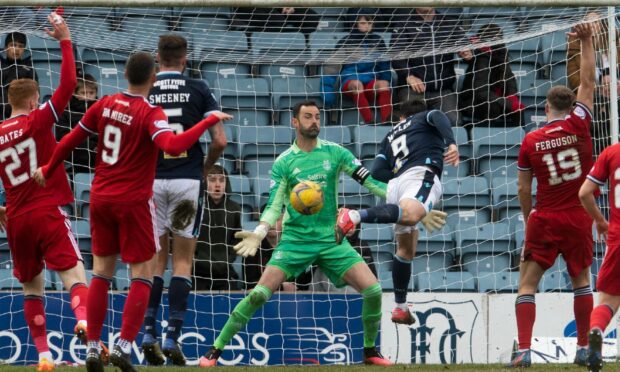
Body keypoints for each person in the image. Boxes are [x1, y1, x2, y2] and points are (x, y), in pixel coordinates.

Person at [33, 51, 233, 372]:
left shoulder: (105, 103)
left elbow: (70, 139)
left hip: (100, 198)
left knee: (101, 273)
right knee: (142, 273)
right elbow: (171, 145)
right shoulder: (150, 112)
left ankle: (94, 347)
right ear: (152, 79)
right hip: (133, 202)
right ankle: (124, 347)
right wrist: (208, 120)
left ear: (125, 73)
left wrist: (48, 165)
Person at [198, 101, 392, 367]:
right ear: (294, 122)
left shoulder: (336, 153)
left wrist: (406, 201)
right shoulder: (284, 162)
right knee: (257, 295)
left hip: (330, 239)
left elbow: (370, 181)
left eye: (317, 117)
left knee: (373, 291)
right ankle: (215, 350)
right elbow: (274, 205)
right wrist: (260, 230)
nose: (314, 121)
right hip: (295, 241)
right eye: (308, 117)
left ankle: (370, 351)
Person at [0, 13, 103, 372]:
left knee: (32, 289)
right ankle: (86, 324)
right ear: (33, 101)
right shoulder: (39, 119)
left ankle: (44, 356)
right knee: (76, 276)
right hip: (47, 210)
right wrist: (65, 39)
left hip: (15, 219)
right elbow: (70, 83)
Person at [507, 23, 595, 368]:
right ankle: (584, 348)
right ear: (571, 105)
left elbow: (521, 188)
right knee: (582, 283)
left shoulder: (531, 141)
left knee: (527, 284)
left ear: (546, 107)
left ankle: (525, 349)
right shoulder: (579, 124)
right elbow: (587, 82)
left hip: (544, 217)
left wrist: (529, 216)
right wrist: (587, 40)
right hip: (577, 214)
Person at [141, 34, 227, 366]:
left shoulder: (147, 89)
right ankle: (172, 336)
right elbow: (219, 139)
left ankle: (147, 332)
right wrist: (205, 167)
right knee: (182, 262)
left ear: (157, 58)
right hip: (187, 181)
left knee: (154, 261)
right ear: (185, 59)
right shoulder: (199, 87)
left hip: (152, 181)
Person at [335, 98, 456, 324]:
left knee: (405, 249)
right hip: (421, 172)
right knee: (410, 215)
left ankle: (400, 307)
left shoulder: (389, 136)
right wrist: (451, 144)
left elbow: (378, 172)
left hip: (396, 186)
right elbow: (438, 116)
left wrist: (401, 175)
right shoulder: (423, 117)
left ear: (401, 117)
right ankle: (353, 215)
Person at [391, 7, 471, 126]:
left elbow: (463, 44)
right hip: (412, 90)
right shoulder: (404, 23)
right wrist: (408, 75)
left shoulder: (448, 22)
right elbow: (395, 54)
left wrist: (466, 52)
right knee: (412, 123)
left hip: (443, 90)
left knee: (453, 122)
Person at [579, 142, 620, 372]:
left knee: (608, 301)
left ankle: (596, 332)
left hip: (617, 239)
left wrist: (600, 220)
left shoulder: (611, 153)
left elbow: (584, 192)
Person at [567, 10, 620, 155]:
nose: (592, 25)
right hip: (590, 100)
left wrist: (617, 85)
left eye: (596, 21)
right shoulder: (574, 49)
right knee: (598, 117)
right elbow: (574, 80)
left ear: (602, 25)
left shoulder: (615, 45)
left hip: (615, 98)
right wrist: (598, 90)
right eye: (589, 22)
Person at [459, 23, 524, 127]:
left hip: (495, 99)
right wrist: (508, 104)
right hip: (472, 103)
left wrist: (512, 97)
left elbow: (509, 78)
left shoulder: (501, 54)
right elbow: (481, 92)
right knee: (493, 107)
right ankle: (488, 140)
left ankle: (520, 139)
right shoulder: (481, 58)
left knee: (518, 110)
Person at [338, 11, 393, 125]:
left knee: (384, 84)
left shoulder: (378, 41)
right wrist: (328, 91)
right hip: (350, 82)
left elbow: (384, 65)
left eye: (369, 23)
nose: (366, 25)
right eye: (363, 23)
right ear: (355, 24)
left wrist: (387, 81)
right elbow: (332, 67)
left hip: (370, 83)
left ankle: (387, 121)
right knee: (357, 84)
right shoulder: (345, 42)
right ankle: (369, 120)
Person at [194, 164, 242, 291]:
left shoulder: (234, 208)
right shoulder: (195, 207)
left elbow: (237, 238)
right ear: (205, 182)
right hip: (197, 274)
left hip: (225, 274)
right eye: (212, 180)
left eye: (221, 180)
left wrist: (227, 259)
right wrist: (195, 259)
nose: (217, 184)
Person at [56, 73, 98, 175]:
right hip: (74, 157)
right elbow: (63, 136)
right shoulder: (66, 112)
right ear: (75, 93)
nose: (87, 97)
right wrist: (91, 146)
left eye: (91, 93)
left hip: (98, 156)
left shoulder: (101, 110)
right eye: (83, 93)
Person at [0, 31, 38, 119]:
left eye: (20, 46)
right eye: (13, 45)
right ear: (6, 47)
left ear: (24, 49)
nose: (17, 49)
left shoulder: (28, 69)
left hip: (20, 116)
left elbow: (35, 95)